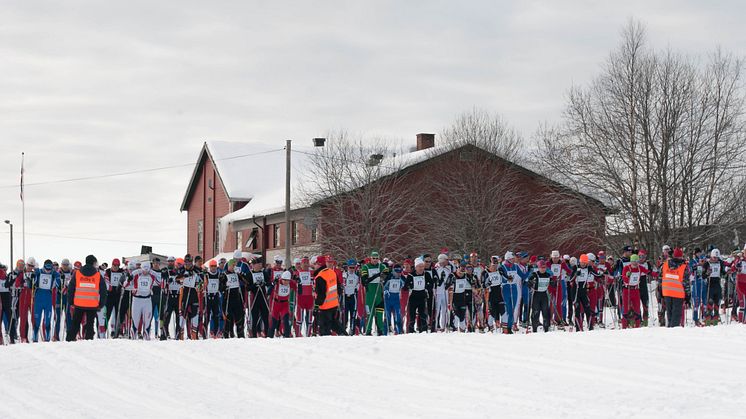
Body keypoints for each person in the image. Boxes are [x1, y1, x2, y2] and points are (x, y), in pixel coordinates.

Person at [67, 255, 107, 341]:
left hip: (78, 303)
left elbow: (71, 288)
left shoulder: (77, 273)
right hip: (92, 305)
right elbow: (103, 291)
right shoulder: (97, 275)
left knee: (75, 324)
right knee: (90, 326)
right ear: (93, 263)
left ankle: (69, 341)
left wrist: (71, 302)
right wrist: (101, 304)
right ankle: (89, 343)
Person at [314, 259, 347, 336]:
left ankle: (327, 341)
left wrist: (317, 306)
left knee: (324, 327)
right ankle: (343, 334)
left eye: (315, 264)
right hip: (334, 303)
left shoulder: (320, 276)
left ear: (319, 265)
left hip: (325, 305)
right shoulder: (332, 272)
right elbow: (339, 288)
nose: (314, 266)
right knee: (333, 322)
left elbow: (321, 294)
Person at [122, 261, 155, 340]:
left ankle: (146, 336)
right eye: (144, 270)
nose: (145, 272)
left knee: (147, 321)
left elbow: (161, 283)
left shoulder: (152, 275)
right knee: (135, 320)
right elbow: (125, 285)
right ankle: (133, 336)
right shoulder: (136, 274)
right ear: (141, 268)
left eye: (147, 270)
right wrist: (128, 280)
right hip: (137, 300)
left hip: (147, 300)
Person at [660, 248, 691, 328]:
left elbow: (660, 277)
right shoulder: (684, 267)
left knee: (669, 313)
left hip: (666, 292)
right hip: (678, 293)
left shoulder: (666, 264)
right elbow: (686, 282)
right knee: (676, 314)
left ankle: (670, 328)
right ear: (681, 256)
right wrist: (688, 295)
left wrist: (660, 290)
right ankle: (673, 331)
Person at [32, 260, 61, 342]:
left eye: (50, 269)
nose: (48, 271)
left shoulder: (54, 274)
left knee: (47, 320)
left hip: (48, 298)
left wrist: (59, 278)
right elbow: (33, 282)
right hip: (38, 298)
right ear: (44, 266)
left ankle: (47, 337)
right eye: (46, 269)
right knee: (37, 320)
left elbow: (59, 285)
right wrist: (33, 276)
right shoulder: (39, 272)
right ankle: (35, 337)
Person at [361, 251, 388, 335]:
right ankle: (368, 331)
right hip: (370, 293)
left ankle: (381, 330)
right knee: (370, 314)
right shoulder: (366, 267)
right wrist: (377, 275)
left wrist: (383, 276)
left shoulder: (381, 266)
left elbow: (387, 271)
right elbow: (364, 281)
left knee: (380, 313)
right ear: (370, 258)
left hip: (379, 293)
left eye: (377, 258)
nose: (375, 260)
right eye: (373, 258)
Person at [405, 258, 433, 333]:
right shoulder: (411, 275)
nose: (421, 268)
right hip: (413, 297)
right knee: (412, 315)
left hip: (422, 296)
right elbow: (406, 286)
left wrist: (428, 286)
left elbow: (431, 284)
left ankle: (424, 329)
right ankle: (411, 330)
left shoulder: (426, 274)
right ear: (416, 267)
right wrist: (410, 285)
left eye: (422, 266)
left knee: (423, 314)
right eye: (419, 266)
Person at [620, 254, 649, 329]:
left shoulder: (640, 268)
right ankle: (624, 326)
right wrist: (627, 276)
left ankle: (637, 326)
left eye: (636, 261)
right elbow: (624, 278)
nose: (635, 263)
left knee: (637, 308)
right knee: (626, 308)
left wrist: (657, 273)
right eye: (633, 261)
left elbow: (647, 272)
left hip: (636, 290)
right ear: (631, 262)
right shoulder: (627, 268)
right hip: (627, 290)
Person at [221, 259, 247, 338]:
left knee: (239, 317)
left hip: (237, 298)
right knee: (228, 318)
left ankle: (240, 335)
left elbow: (246, 281)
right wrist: (225, 287)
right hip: (228, 298)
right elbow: (220, 287)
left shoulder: (236, 274)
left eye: (235, 266)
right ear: (229, 266)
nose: (234, 267)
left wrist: (242, 274)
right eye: (232, 265)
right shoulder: (224, 274)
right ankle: (226, 334)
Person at [268, 270, 297, 338]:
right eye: (284, 280)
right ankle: (270, 337)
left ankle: (287, 336)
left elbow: (299, 291)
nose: (286, 282)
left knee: (286, 321)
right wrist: (272, 284)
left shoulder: (291, 283)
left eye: (288, 281)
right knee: (274, 322)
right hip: (276, 304)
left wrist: (299, 282)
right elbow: (268, 292)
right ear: (282, 279)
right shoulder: (277, 282)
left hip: (284, 304)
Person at [247, 257, 271, 338]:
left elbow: (269, 283)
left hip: (263, 298)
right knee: (255, 318)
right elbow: (247, 287)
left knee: (265, 317)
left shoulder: (264, 273)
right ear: (253, 265)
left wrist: (264, 283)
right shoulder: (249, 274)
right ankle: (254, 335)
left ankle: (267, 334)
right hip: (254, 298)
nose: (260, 265)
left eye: (260, 264)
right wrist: (255, 285)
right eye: (258, 264)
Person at [528, 260, 552, 332]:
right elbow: (528, 283)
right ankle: (534, 329)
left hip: (544, 294)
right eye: (541, 267)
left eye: (544, 267)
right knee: (536, 312)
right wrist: (531, 283)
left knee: (546, 311)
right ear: (538, 268)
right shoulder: (535, 274)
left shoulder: (547, 275)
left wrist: (552, 283)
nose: (543, 269)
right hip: (536, 295)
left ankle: (546, 328)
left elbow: (550, 283)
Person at [702, 249, 725, 325]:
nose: (716, 259)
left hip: (717, 284)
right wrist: (707, 273)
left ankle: (715, 319)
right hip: (710, 285)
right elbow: (703, 276)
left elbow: (723, 273)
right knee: (710, 302)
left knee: (717, 302)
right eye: (714, 257)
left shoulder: (720, 263)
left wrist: (727, 272)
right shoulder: (706, 264)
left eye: (717, 257)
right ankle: (708, 320)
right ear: (711, 256)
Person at [104, 259, 125, 338]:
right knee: (108, 314)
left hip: (118, 296)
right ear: (112, 265)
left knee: (118, 314)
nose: (116, 267)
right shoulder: (108, 271)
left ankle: (117, 331)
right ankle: (104, 331)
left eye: (117, 266)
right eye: (114, 265)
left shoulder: (122, 271)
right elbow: (106, 280)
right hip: (109, 296)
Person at [295, 257, 315, 337]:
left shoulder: (312, 272)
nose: (306, 265)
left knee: (309, 318)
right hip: (300, 297)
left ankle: (308, 334)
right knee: (299, 317)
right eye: (304, 263)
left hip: (310, 297)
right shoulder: (297, 272)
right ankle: (298, 334)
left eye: (307, 263)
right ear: (301, 264)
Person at [203, 260, 222, 338]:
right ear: (210, 267)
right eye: (212, 266)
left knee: (216, 316)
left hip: (215, 296)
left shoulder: (219, 274)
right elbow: (203, 285)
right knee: (207, 316)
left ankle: (215, 333)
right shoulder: (207, 275)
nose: (213, 268)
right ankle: (204, 334)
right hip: (208, 297)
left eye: (214, 266)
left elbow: (221, 284)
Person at [383, 264, 405, 334]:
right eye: (397, 271)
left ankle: (398, 331)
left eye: (400, 271)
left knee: (398, 315)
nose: (398, 273)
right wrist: (385, 291)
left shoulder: (401, 277)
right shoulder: (389, 276)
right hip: (388, 299)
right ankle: (385, 332)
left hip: (396, 299)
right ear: (393, 271)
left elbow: (406, 284)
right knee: (387, 316)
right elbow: (383, 285)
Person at [342, 259, 360, 335]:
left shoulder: (356, 277)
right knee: (345, 316)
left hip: (353, 297)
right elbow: (342, 284)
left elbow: (358, 286)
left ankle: (352, 330)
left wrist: (357, 289)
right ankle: (343, 331)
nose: (352, 269)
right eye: (350, 267)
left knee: (353, 315)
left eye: (353, 267)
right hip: (345, 297)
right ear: (347, 267)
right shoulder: (345, 275)